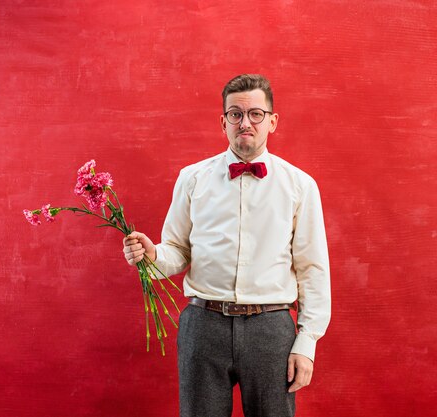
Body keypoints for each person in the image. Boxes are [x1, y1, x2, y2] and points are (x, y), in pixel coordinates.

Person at [122, 74, 331, 417]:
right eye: (235, 114)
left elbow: (313, 268)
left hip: (271, 327)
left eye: (256, 114)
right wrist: (151, 255)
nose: (245, 122)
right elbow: (177, 251)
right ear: (223, 122)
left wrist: (306, 343)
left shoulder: (301, 186)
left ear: (272, 121)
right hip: (203, 326)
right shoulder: (192, 178)